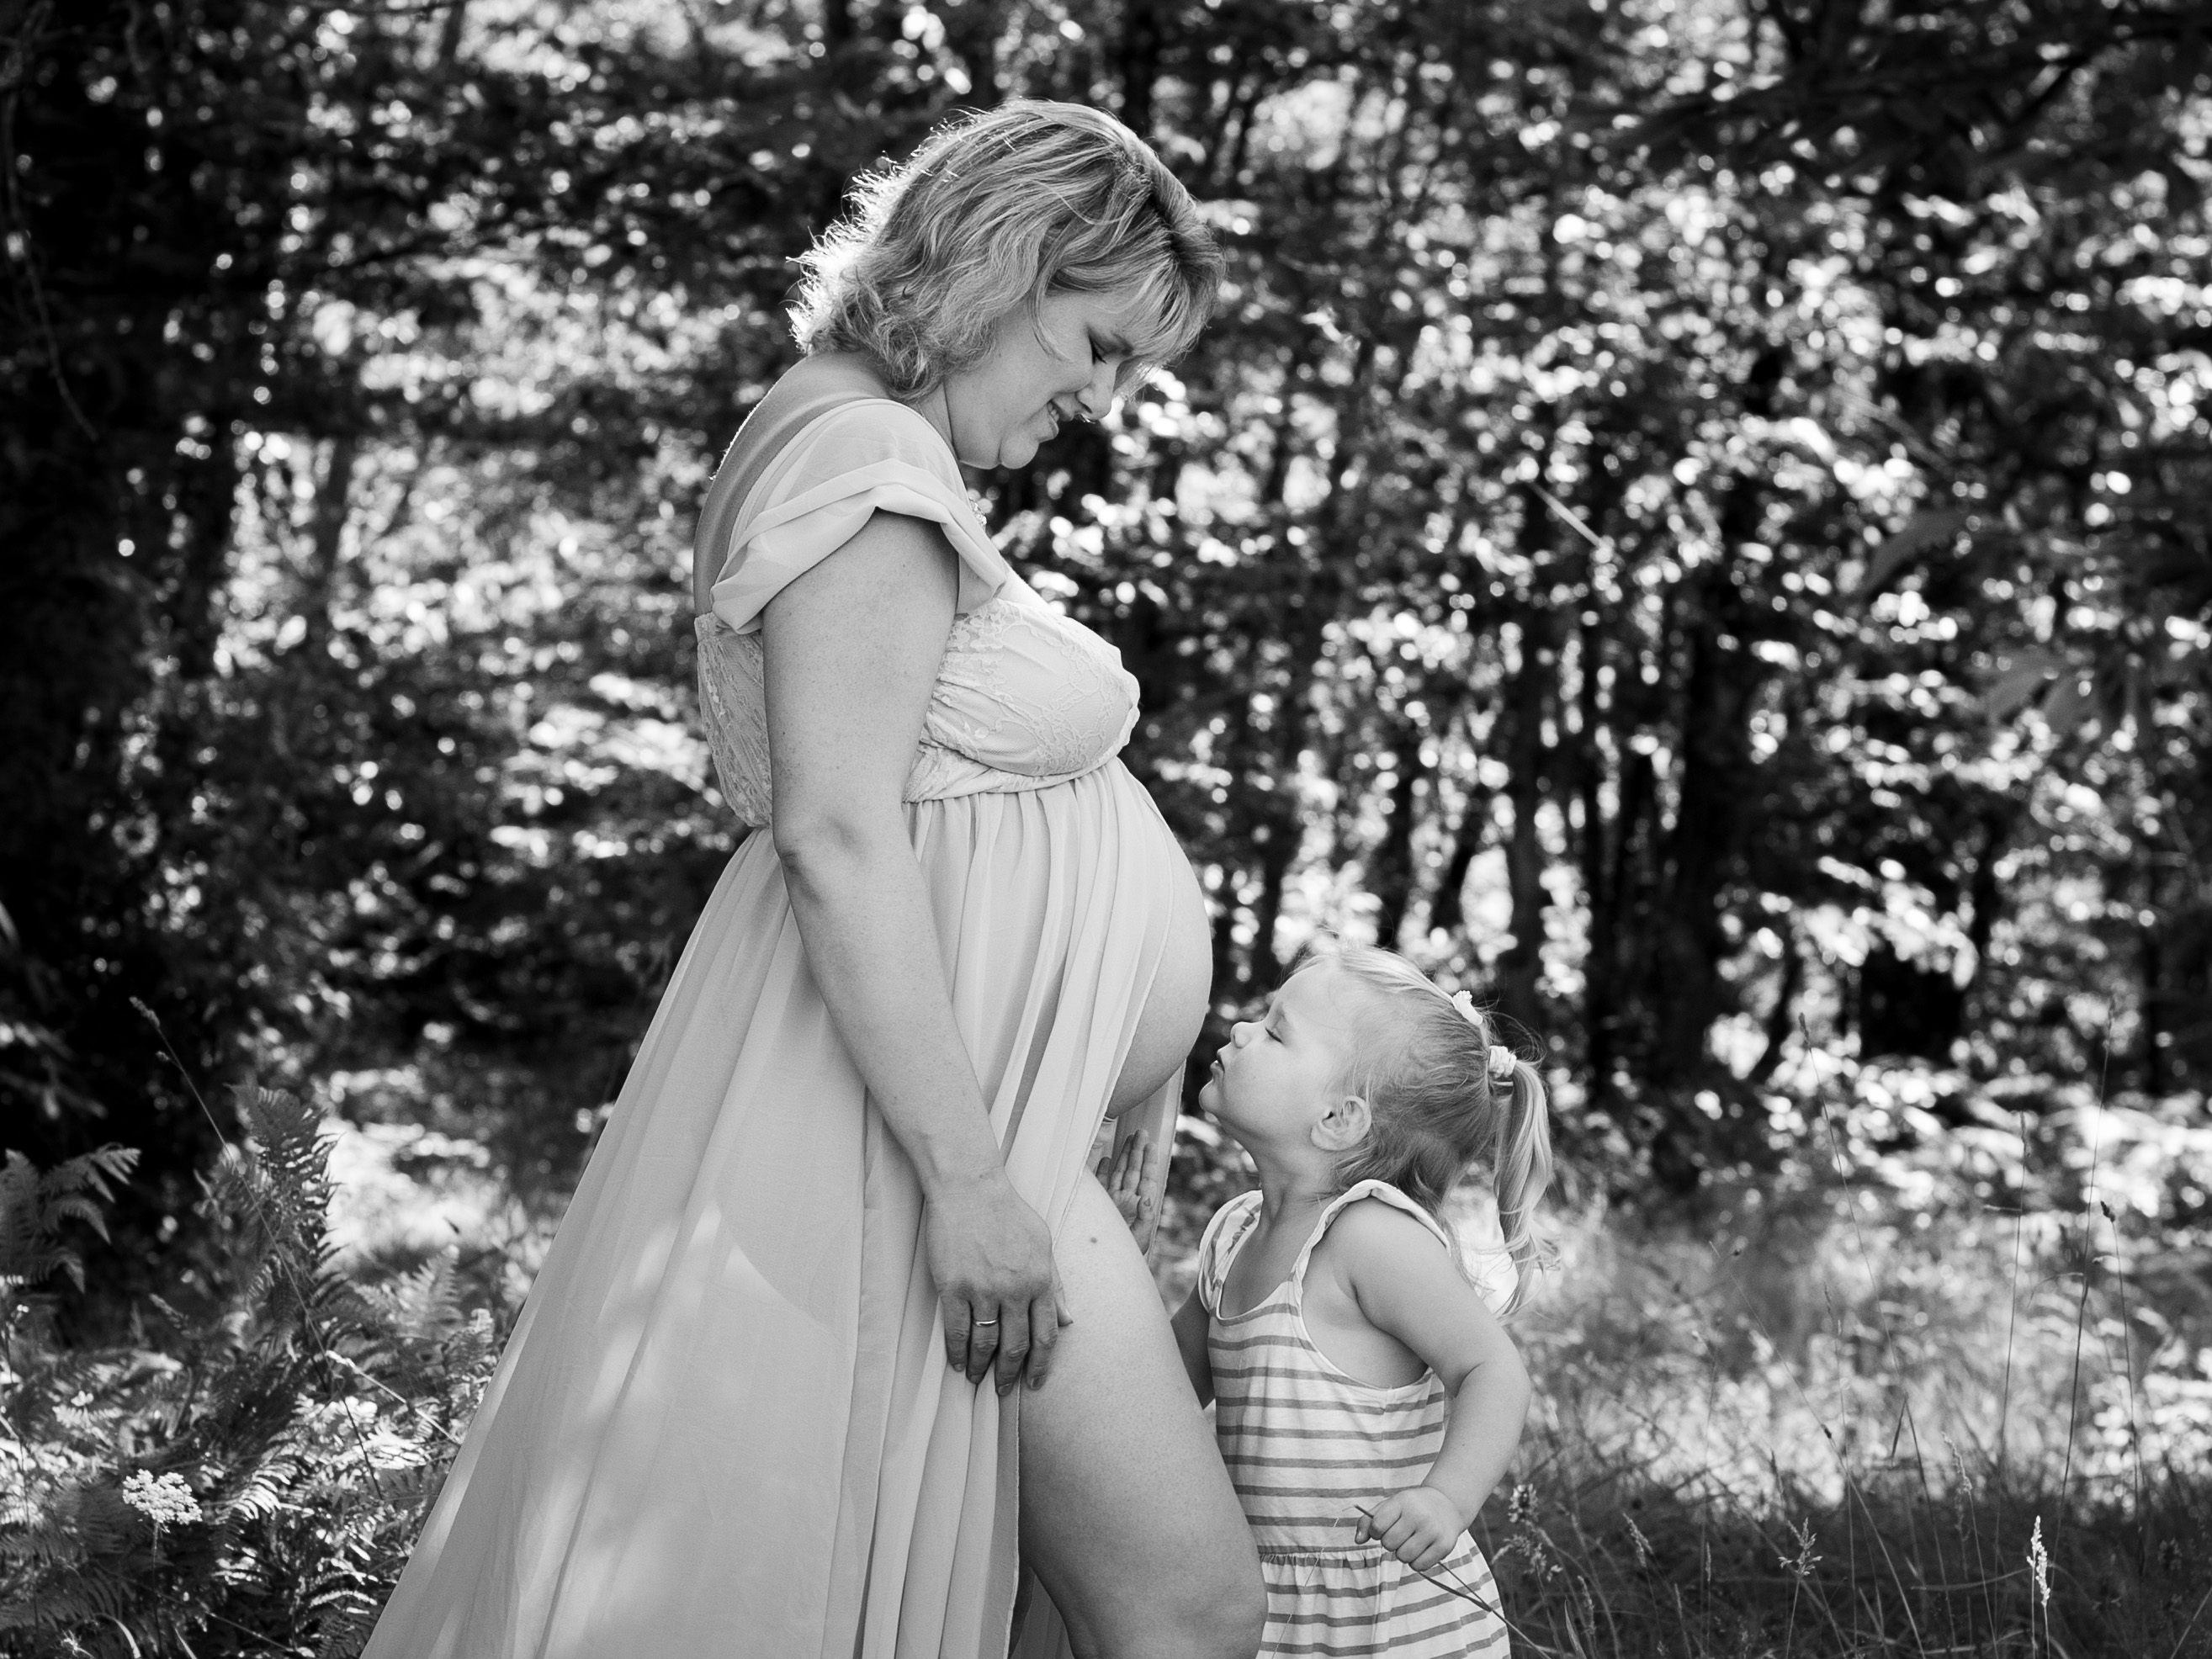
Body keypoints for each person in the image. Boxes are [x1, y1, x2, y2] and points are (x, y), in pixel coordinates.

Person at [363, 100, 1265, 1659]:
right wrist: (976, 1183)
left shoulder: (859, 435)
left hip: (978, 1118)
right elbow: (839, 839)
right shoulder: (865, 451)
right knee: (1185, 1605)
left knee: (1068, 1597)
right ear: (1002, 262)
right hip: (942, 1143)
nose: (1103, 399)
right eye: (1096, 341)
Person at [1129, 939, 1553, 1657]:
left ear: (1339, 1118)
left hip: (1393, 1610)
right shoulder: (1234, 1233)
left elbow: (1490, 1371)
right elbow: (1159, 1392)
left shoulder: (1368, 1237)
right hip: (1273, 1599)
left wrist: (1446, 1497)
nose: (1238, 1030)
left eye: (1274, 1031)